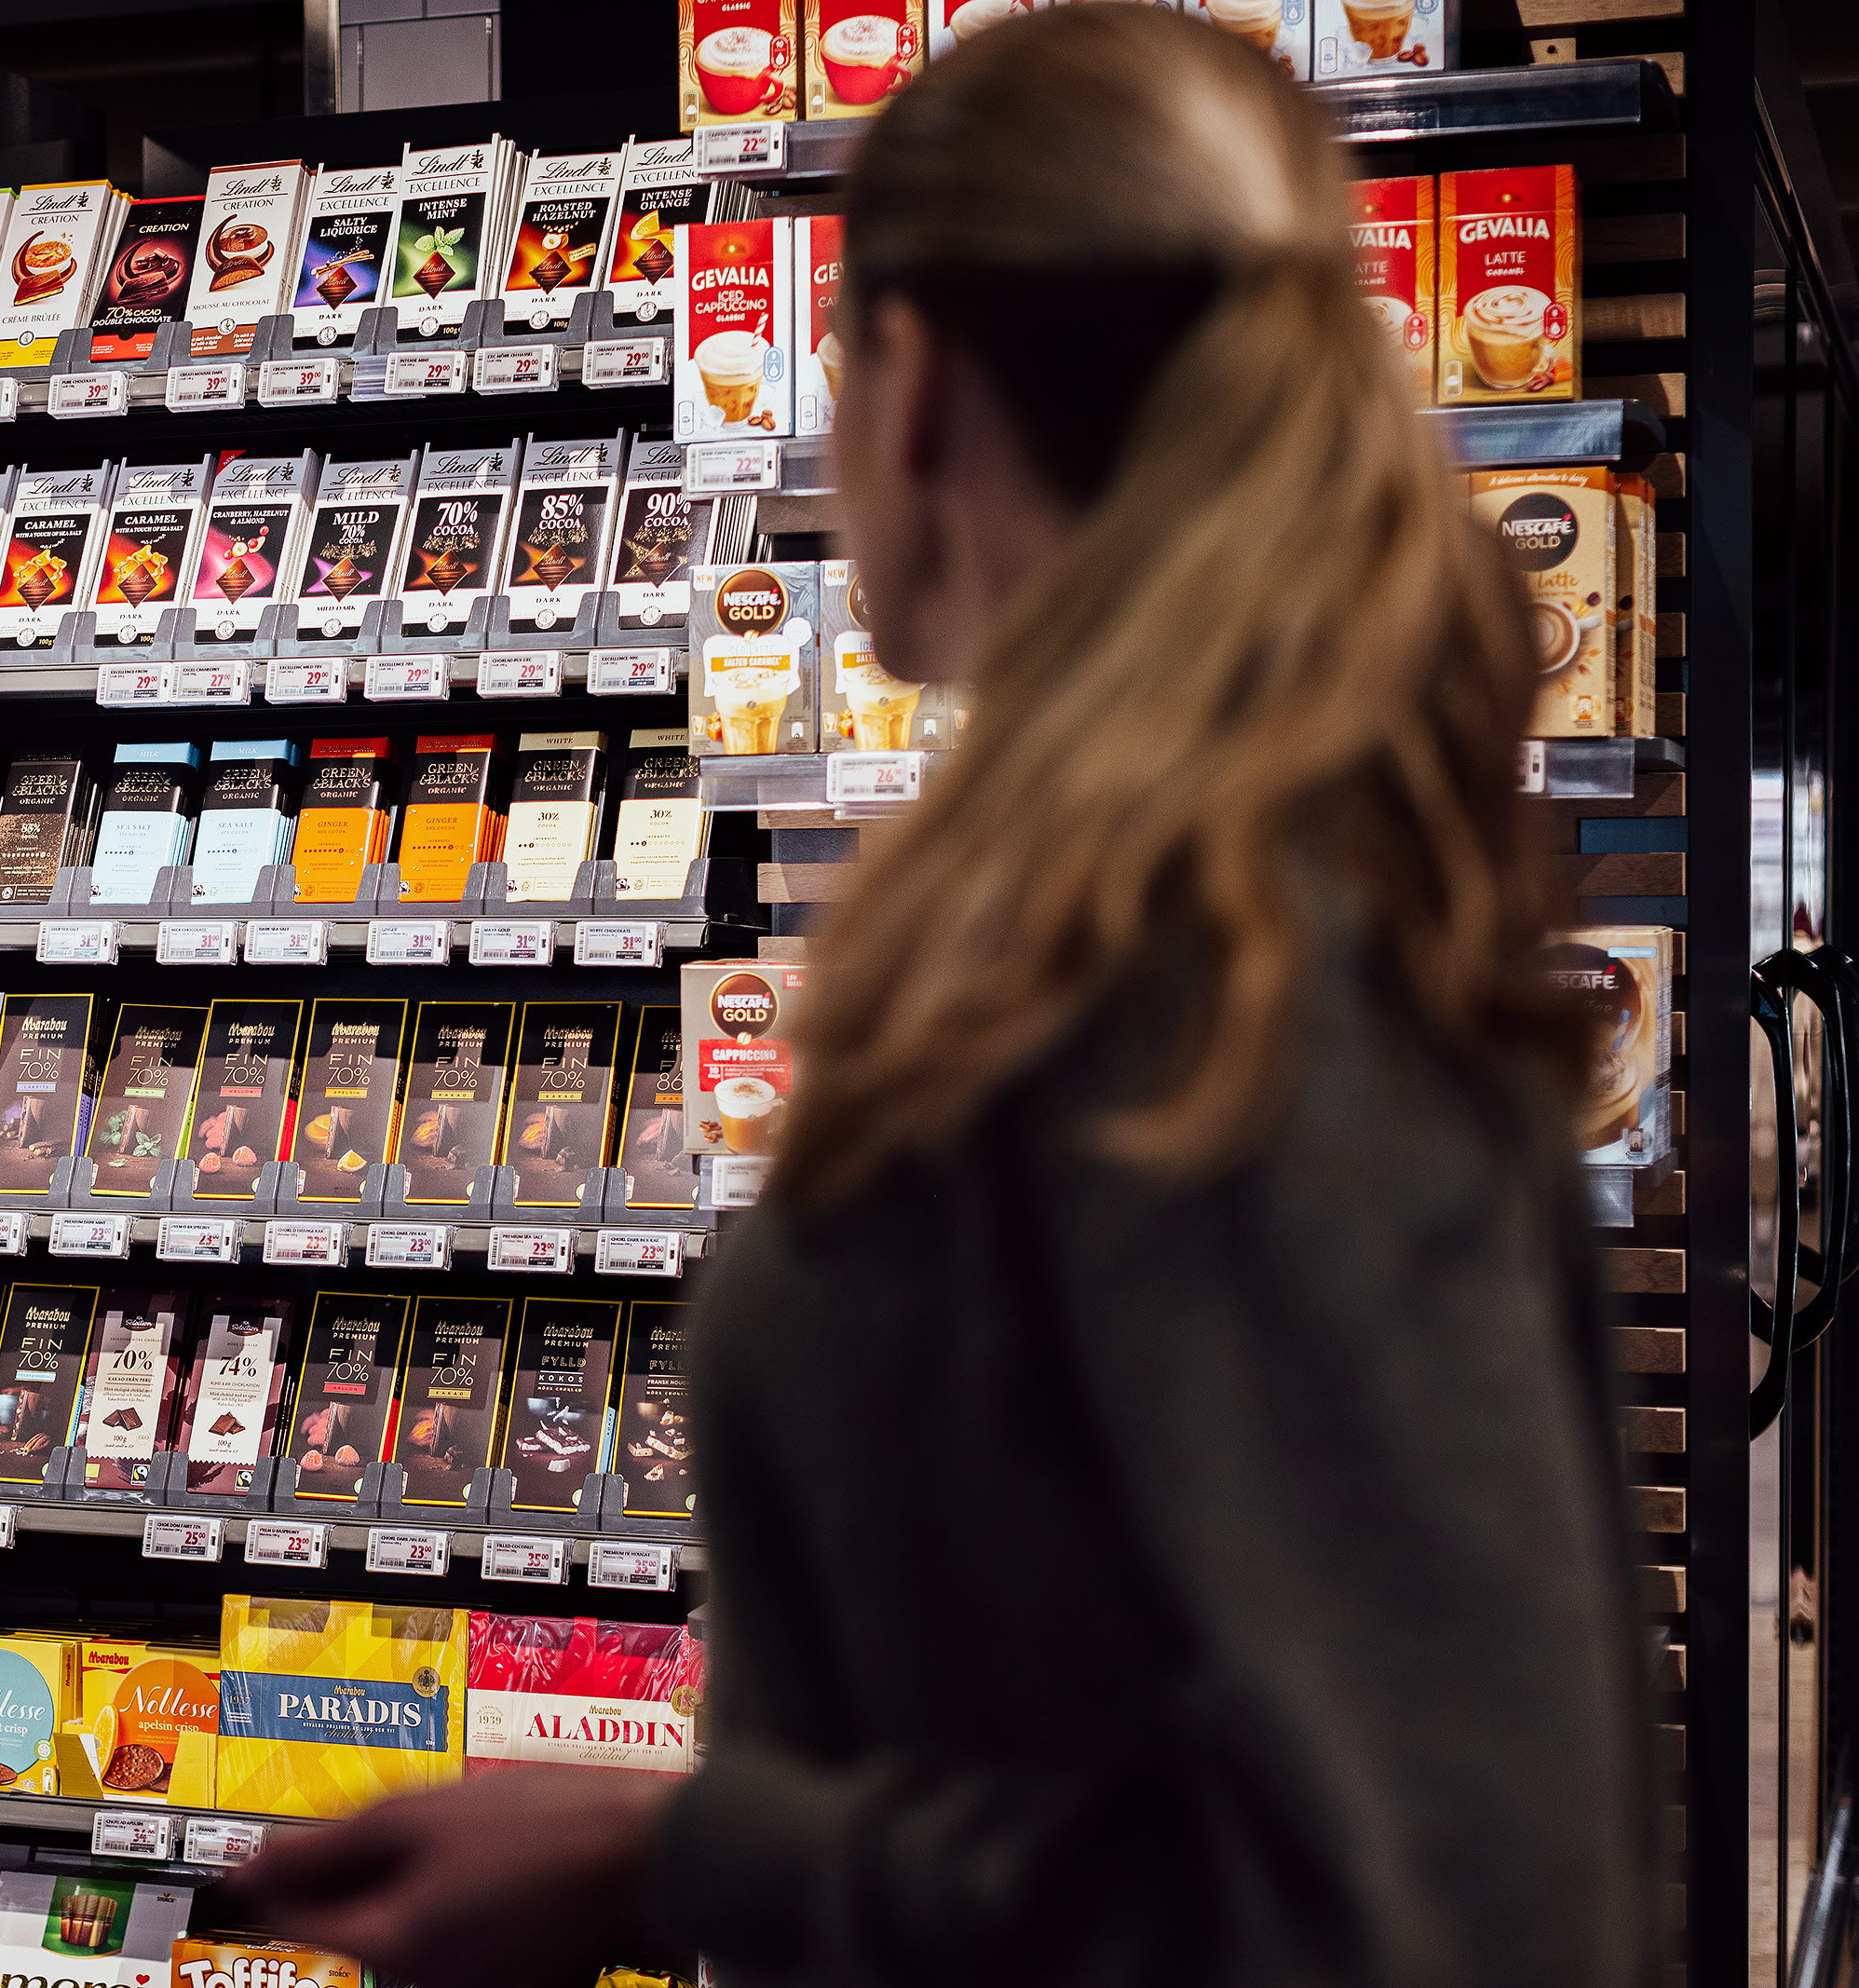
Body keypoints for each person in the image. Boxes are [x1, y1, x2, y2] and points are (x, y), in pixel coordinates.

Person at [217, 8, 1655, 1986]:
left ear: (911, 382)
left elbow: (1419, 1902)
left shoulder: (1232, 1000)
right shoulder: (1143, 921)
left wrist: (685, 1855)